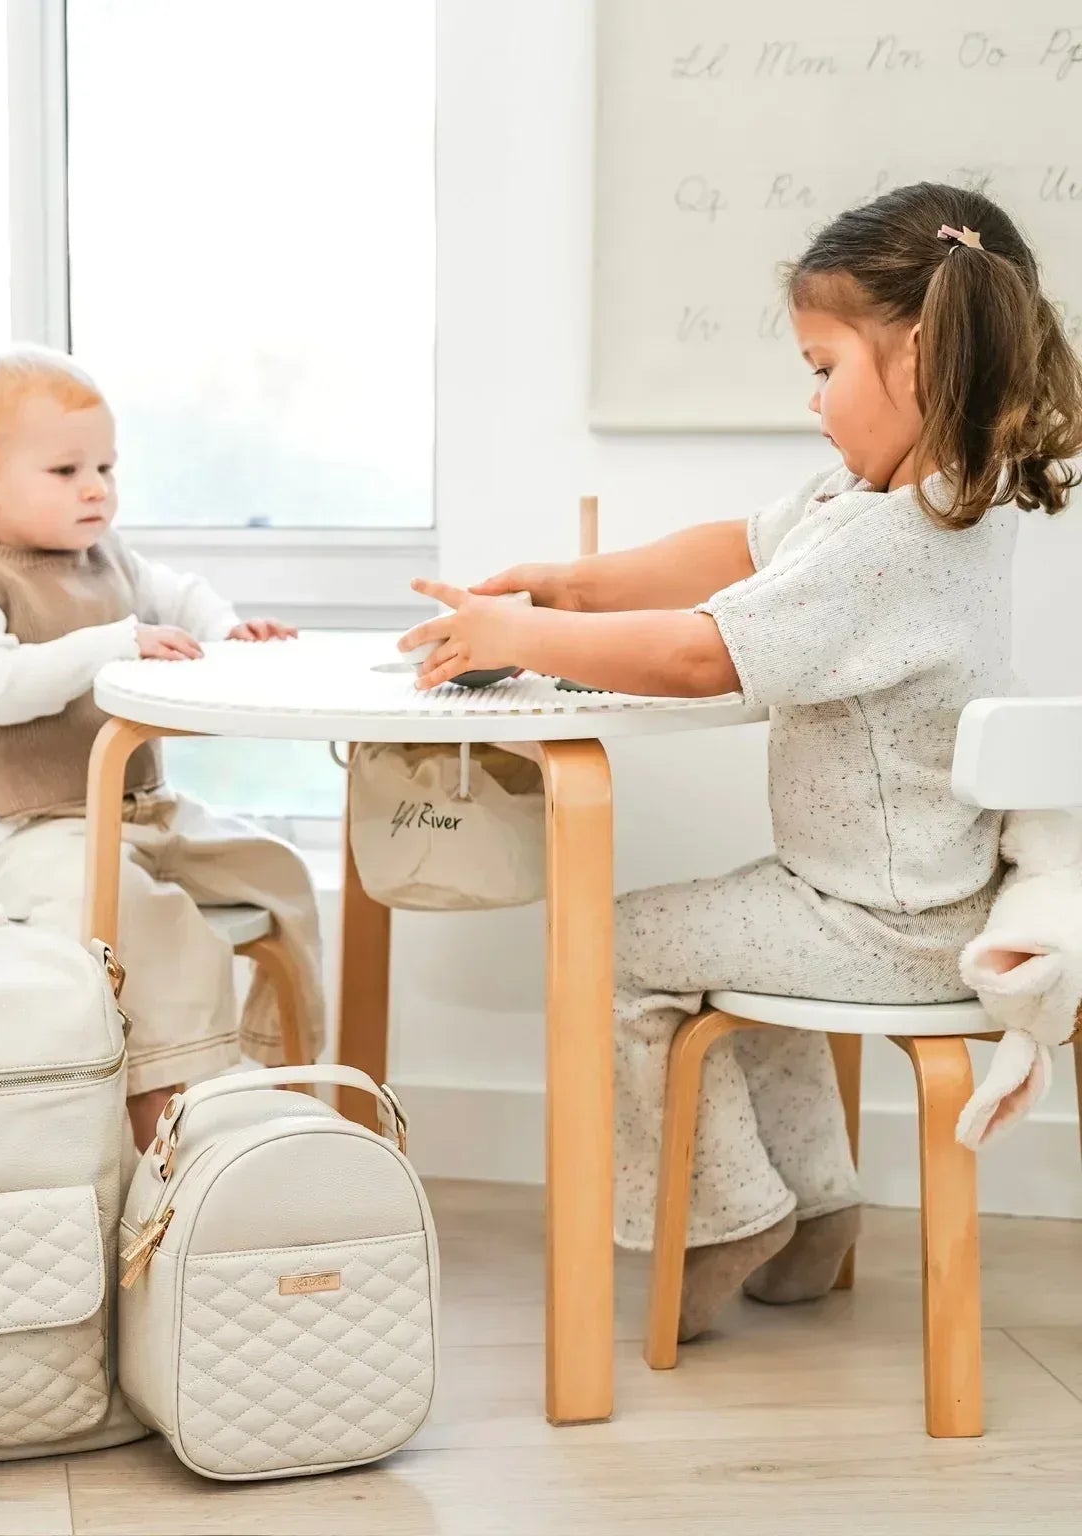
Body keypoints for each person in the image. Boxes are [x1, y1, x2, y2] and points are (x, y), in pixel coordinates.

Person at [401, 182, 1082, 1337]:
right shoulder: (907, 501)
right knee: (730, 939)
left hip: (889, 925)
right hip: (876, 897)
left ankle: (726, 1216)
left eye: (824, 369)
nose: (813, 401)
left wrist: (524, 637)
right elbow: (728, 550)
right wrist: (569, 584)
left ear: (915, 358)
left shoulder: (889, 544)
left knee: (612, 946)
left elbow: (698, 653)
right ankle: (812, 1213)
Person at [0, 346, 325, 1148]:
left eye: (105, 464)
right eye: (65, 470)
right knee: (153, 922)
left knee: (280, 875)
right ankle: (159, 1110)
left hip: (142, 811)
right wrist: (113, 645)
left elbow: (179, 595)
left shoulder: (107, 557)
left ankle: (274, 1070)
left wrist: (226, 630)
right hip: (37, 832)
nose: (96, 486)